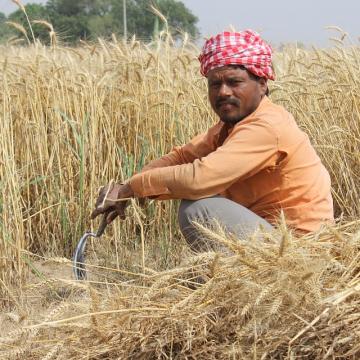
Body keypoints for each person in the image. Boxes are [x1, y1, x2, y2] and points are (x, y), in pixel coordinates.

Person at [91, 29, 334, 251]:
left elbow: (199, 179)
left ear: (262, 84)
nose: (223, 92)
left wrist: (131, 188)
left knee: (198, 208)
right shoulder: (230, 127)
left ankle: (241, 285)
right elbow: (182, 156)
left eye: (234, 82)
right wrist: (129, 186)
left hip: (300, 251)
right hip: (275, 241)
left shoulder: (267, 126)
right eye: (215, 84)